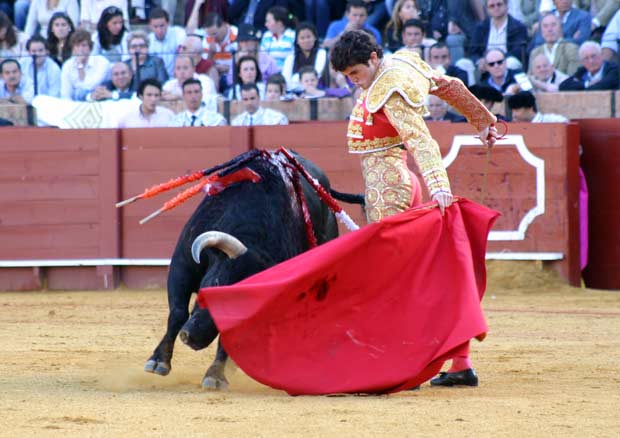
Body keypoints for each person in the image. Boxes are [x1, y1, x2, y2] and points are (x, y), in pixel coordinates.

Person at [330, 30, 497, 387]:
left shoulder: (388, 90)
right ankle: (459, 363)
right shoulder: (404, 60)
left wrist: (440, 186)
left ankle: (401, 363)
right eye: (347, 77)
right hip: (401, 178)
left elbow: (421, 139)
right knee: (432, 272)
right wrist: (484, 121)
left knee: (391, 279)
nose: (353, 83)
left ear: (373, 59)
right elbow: (449, 85)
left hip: (388, 184)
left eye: (356, 73)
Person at [469, 0, 528, 68]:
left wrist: (495, 60)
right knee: (465, 63)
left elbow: (518, 52)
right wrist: (479, 61)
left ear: (506, 5)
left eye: (499, 4)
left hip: (505, 63)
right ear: (487, 9)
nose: (496, 8)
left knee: (511, 62)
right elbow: (473, 52)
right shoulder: (480, 28)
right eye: (492, 6)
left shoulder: (518, 27)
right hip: (484, 66)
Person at [60, 29, 111, 101]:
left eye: (84, 45)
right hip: (76, 105)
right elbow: (65, 94)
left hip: (99, 101)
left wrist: (80, 66)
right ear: (73, 49)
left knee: (79, 92)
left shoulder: (102, 62)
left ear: (90, 47)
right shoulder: (67, 65)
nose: (81, 49)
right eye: (77, 46)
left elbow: (88, 87)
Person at [281, 21, 327, 92]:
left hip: (317, 90)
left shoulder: (322, 53)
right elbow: (286, 79)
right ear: (297, 41)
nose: (306, 40)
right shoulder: (291, 57)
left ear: (315, 38)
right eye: (302, 38)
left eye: (308, 37)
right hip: (294, 93)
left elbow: (318, 74)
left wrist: (296, 79)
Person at [147, 7, 187, 78]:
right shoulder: (148, 40)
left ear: (168, 23)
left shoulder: (178, 32)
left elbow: (182, 53)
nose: (159, 30)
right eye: (155, 27)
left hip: (177, 77)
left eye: (162, 26)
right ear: (150, 26)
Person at [259, 6, 296, 72]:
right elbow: (262, 58)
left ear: (279, 23)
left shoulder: (293, 36)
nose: (266, 24)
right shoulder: (266, 36)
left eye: (268, 22)